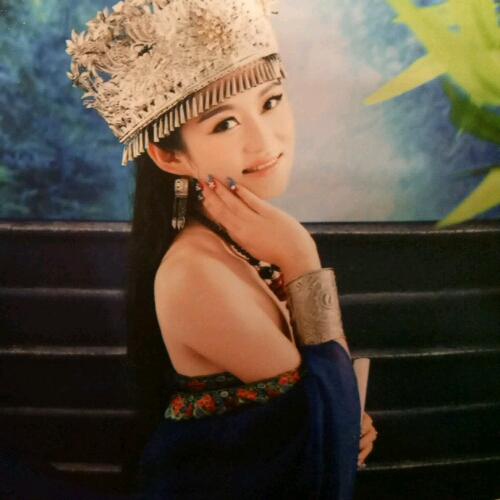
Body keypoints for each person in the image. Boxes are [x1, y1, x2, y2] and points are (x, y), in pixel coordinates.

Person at [0, 0, 377, 498]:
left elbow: (325, 425)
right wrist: (302, 260)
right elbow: (326, 455)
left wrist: (341, 417)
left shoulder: (238, 245)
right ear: (169, 155)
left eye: (270, 101)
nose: (264, 140)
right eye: (224, 123)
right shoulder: (195, 274)